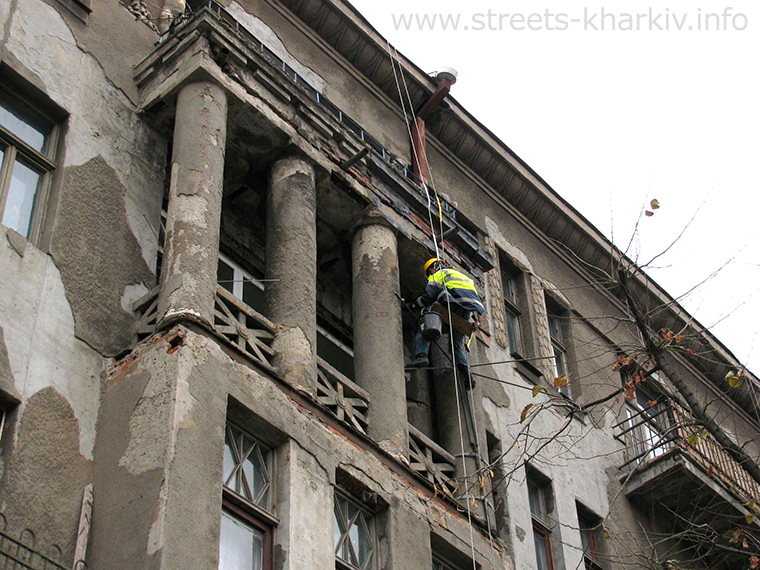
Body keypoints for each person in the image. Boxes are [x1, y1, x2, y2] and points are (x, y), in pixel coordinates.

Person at [409, 258, 485, 381]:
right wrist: (475, 320)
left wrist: (414, 305)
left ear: (432, 268)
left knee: (426, 325)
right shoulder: (464, 277)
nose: (430, 276)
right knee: (456, 346)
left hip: (451, 303)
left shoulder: (438, 274)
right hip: (466, 312)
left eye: (429, 273)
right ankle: (467, 374)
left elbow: (428, 296)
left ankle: (421, 356)